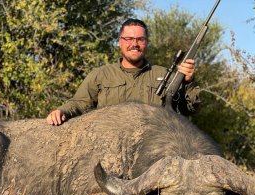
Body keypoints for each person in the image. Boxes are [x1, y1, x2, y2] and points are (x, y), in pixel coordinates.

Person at [46, 18, 200, 126]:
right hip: (109, 148)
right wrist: (61, 111)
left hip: (152, 150)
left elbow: (190, 108)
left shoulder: (165, 74)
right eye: (129, 39)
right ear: (119, 41)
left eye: (140, 39)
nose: (135, 44)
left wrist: (188, 81)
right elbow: (79, 103)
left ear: (146, 43)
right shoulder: (101, 75)